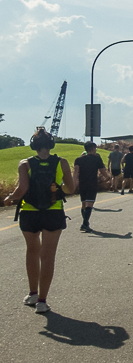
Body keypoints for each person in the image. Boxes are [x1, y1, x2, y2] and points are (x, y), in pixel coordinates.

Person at [1, 128, 75, 313]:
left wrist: (9, 198)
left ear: (33, 145)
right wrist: (57, 189)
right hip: (53, 212)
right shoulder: (62, 163)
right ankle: (42, 301)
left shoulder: (25, 164)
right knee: (48, 255)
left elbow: (22, 190)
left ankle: (32, 293)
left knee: (32, 252)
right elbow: (70, 189)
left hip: (29, 212)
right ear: (51, 145)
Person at [73, 141, 110, 232]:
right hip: (92, 183)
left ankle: (86, 223)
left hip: (82, 183)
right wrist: (108, 178)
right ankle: (85, 223)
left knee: (83, 204)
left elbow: (75, 173)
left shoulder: (78, 160)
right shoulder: (97, 159)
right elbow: (102, 171)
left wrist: (73, 183)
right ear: (93, 148)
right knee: (89, 204)